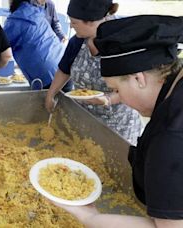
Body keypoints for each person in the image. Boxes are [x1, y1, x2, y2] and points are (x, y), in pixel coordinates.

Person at [52, 15, 183, 227]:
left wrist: (90, 218)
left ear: (139, 79)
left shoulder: (169, 138)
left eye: (116, 90)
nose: (117, 97)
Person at [45, 0, 142, 145]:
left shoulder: (122, 43)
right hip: (84, 118)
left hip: (117, 124)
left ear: (91, 22)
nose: (70, 25)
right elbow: (64, 70)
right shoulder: (77, 41)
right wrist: (51, 94)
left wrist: (108, 99)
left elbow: (136, 86)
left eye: (74, 22)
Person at [4, 0, 69, 90]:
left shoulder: (15, 21)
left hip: (47, 75)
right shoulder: (36, 12)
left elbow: (1, 49)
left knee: (45, 103)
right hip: (64, 67)